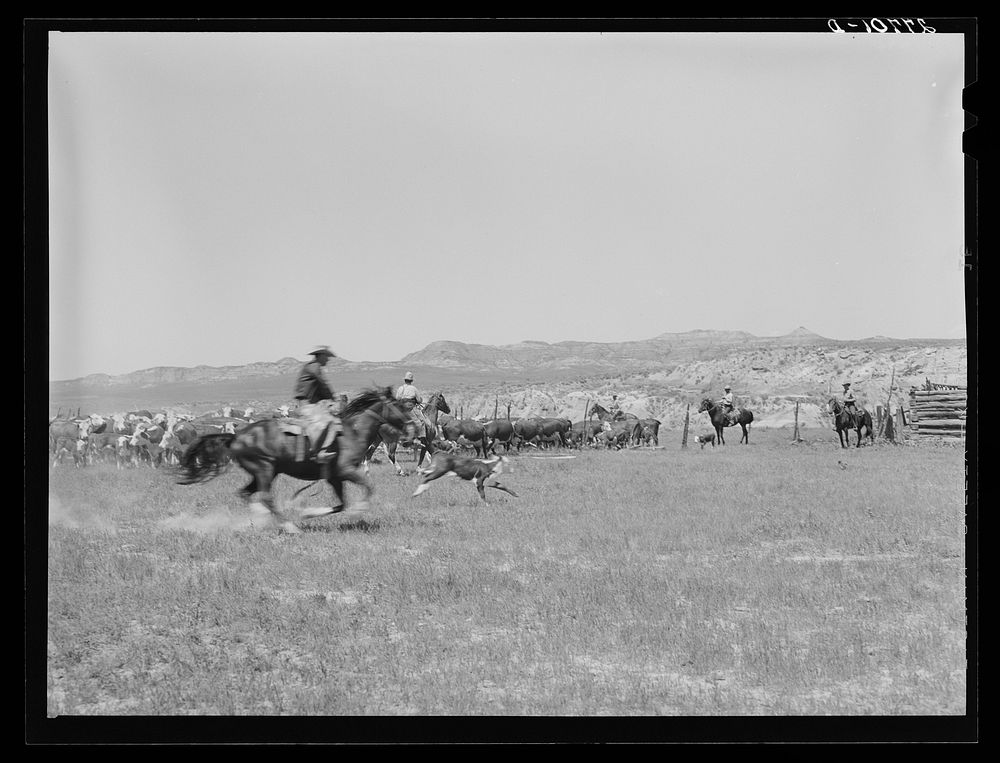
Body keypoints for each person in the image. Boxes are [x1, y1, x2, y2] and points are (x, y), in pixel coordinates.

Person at [293, 346, 341, 463]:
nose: (328, 360)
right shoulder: (314, 367)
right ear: (320, 356)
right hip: (306, 402)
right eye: (326, 357)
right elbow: (323, 384)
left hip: (310, 402)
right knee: (326, 421)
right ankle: (319, 452)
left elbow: (320, 388)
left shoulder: (311, 367)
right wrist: (333, 398)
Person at [396, 372, 429, 437]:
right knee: (421, 421)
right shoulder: (414, 388)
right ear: (411, 381)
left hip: (401, 408)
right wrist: (419, 400)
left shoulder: (400, 388)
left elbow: (397, 398)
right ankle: (421, 437)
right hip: (411, 408)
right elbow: (419, 400)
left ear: (405, 380)